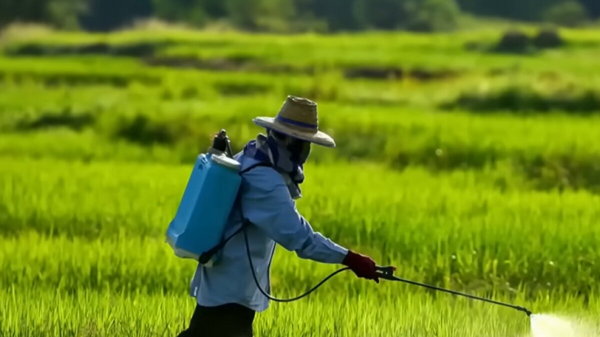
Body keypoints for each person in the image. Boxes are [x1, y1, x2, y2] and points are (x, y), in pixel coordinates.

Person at [178, 96, 382, 337]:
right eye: (305, 144)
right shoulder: (264, 179)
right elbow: (299, 237)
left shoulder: (250, 156)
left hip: (225, 286)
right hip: (231, 292)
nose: (307, 152)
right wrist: (350, 258)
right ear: (292, 143)